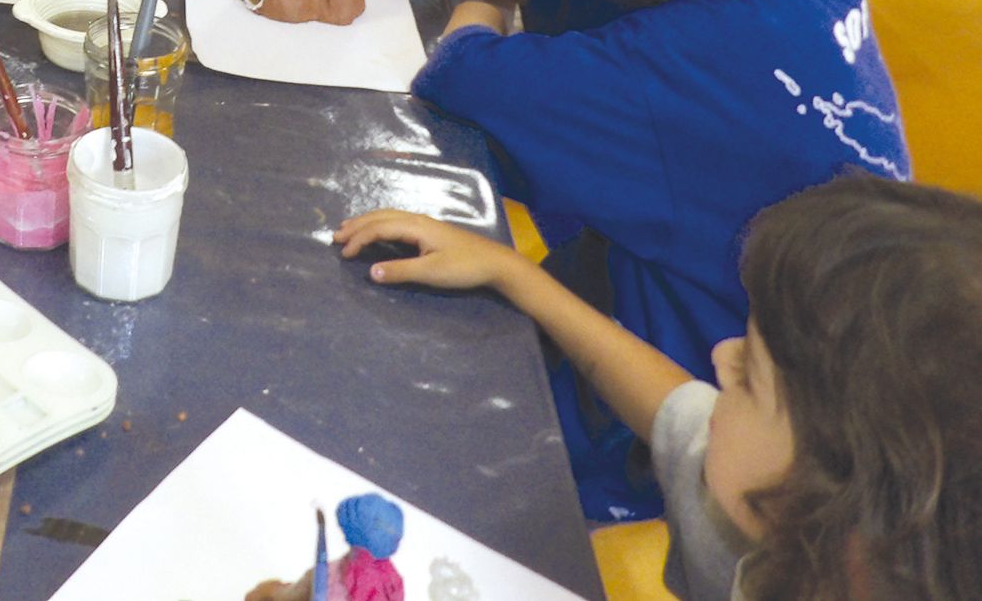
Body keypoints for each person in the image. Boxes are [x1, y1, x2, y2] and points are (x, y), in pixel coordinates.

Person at [369, 0, 909, 521]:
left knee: (413, 429)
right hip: (815, 363)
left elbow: (462, 75)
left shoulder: (676, 73)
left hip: (713, 400)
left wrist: (473, 6)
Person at [337, 174, 982, 601]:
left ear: (838, 500)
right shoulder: (790, 515)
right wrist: (512, 274)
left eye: (751, 378)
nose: (721, 355)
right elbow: (675, 410)